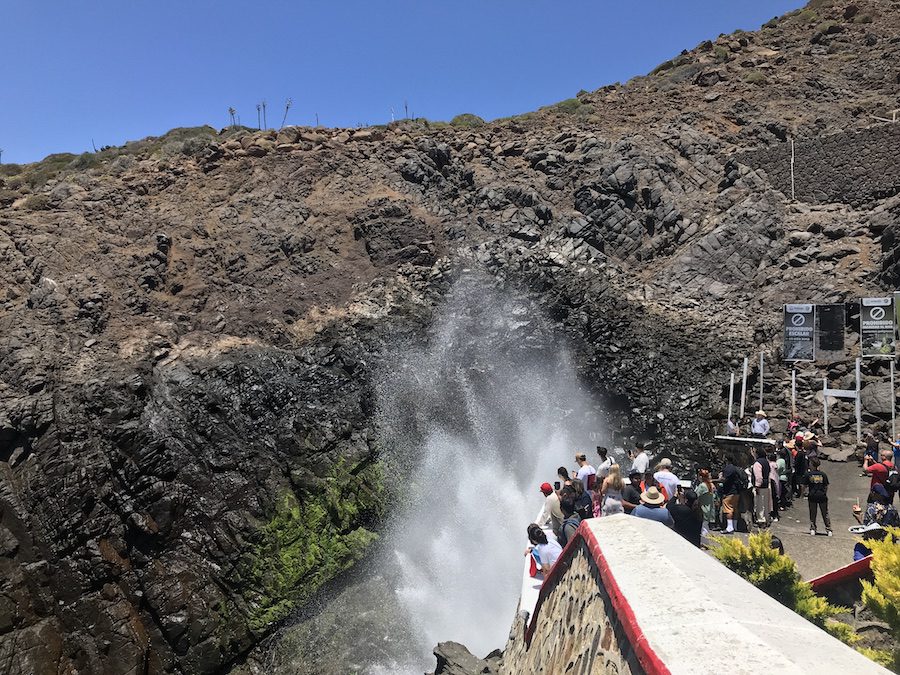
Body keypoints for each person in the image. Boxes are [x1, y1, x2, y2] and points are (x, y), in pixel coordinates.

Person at [805, 457, 832, 536]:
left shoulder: (808, 474)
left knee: (813, 513)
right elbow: (826, 485)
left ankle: (813, 528)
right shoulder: (823, 474)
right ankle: (828, 529)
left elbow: (804, 485)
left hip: (812, 495)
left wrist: (803, 493)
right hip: (822, 496)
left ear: (812, 465)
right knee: (825, 513)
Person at [721, 455, 745, 533]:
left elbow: (724, 480)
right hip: (737, 492)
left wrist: (713, 480)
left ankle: (729, 527)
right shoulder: (736, 468)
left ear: (726, 460)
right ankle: (735, 526)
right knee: (735, 509)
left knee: (728, 509)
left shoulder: (728, 468)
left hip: (729, 491)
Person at [751, 447, 771, 527]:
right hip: (766, 485)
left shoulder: (757, 463)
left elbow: (758, 477)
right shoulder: (766, 462)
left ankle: (761, 520)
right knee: (765, 503)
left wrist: (757, 486)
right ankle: (766, 519)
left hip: (760, 486)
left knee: (759, 504)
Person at [768, 452, 781, 523]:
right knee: (775, 499)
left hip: (771, 481)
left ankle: (773, 514)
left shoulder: (770, 465)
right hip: (776, 481)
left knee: (771, 499)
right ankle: (775, 515)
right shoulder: (775, 465)